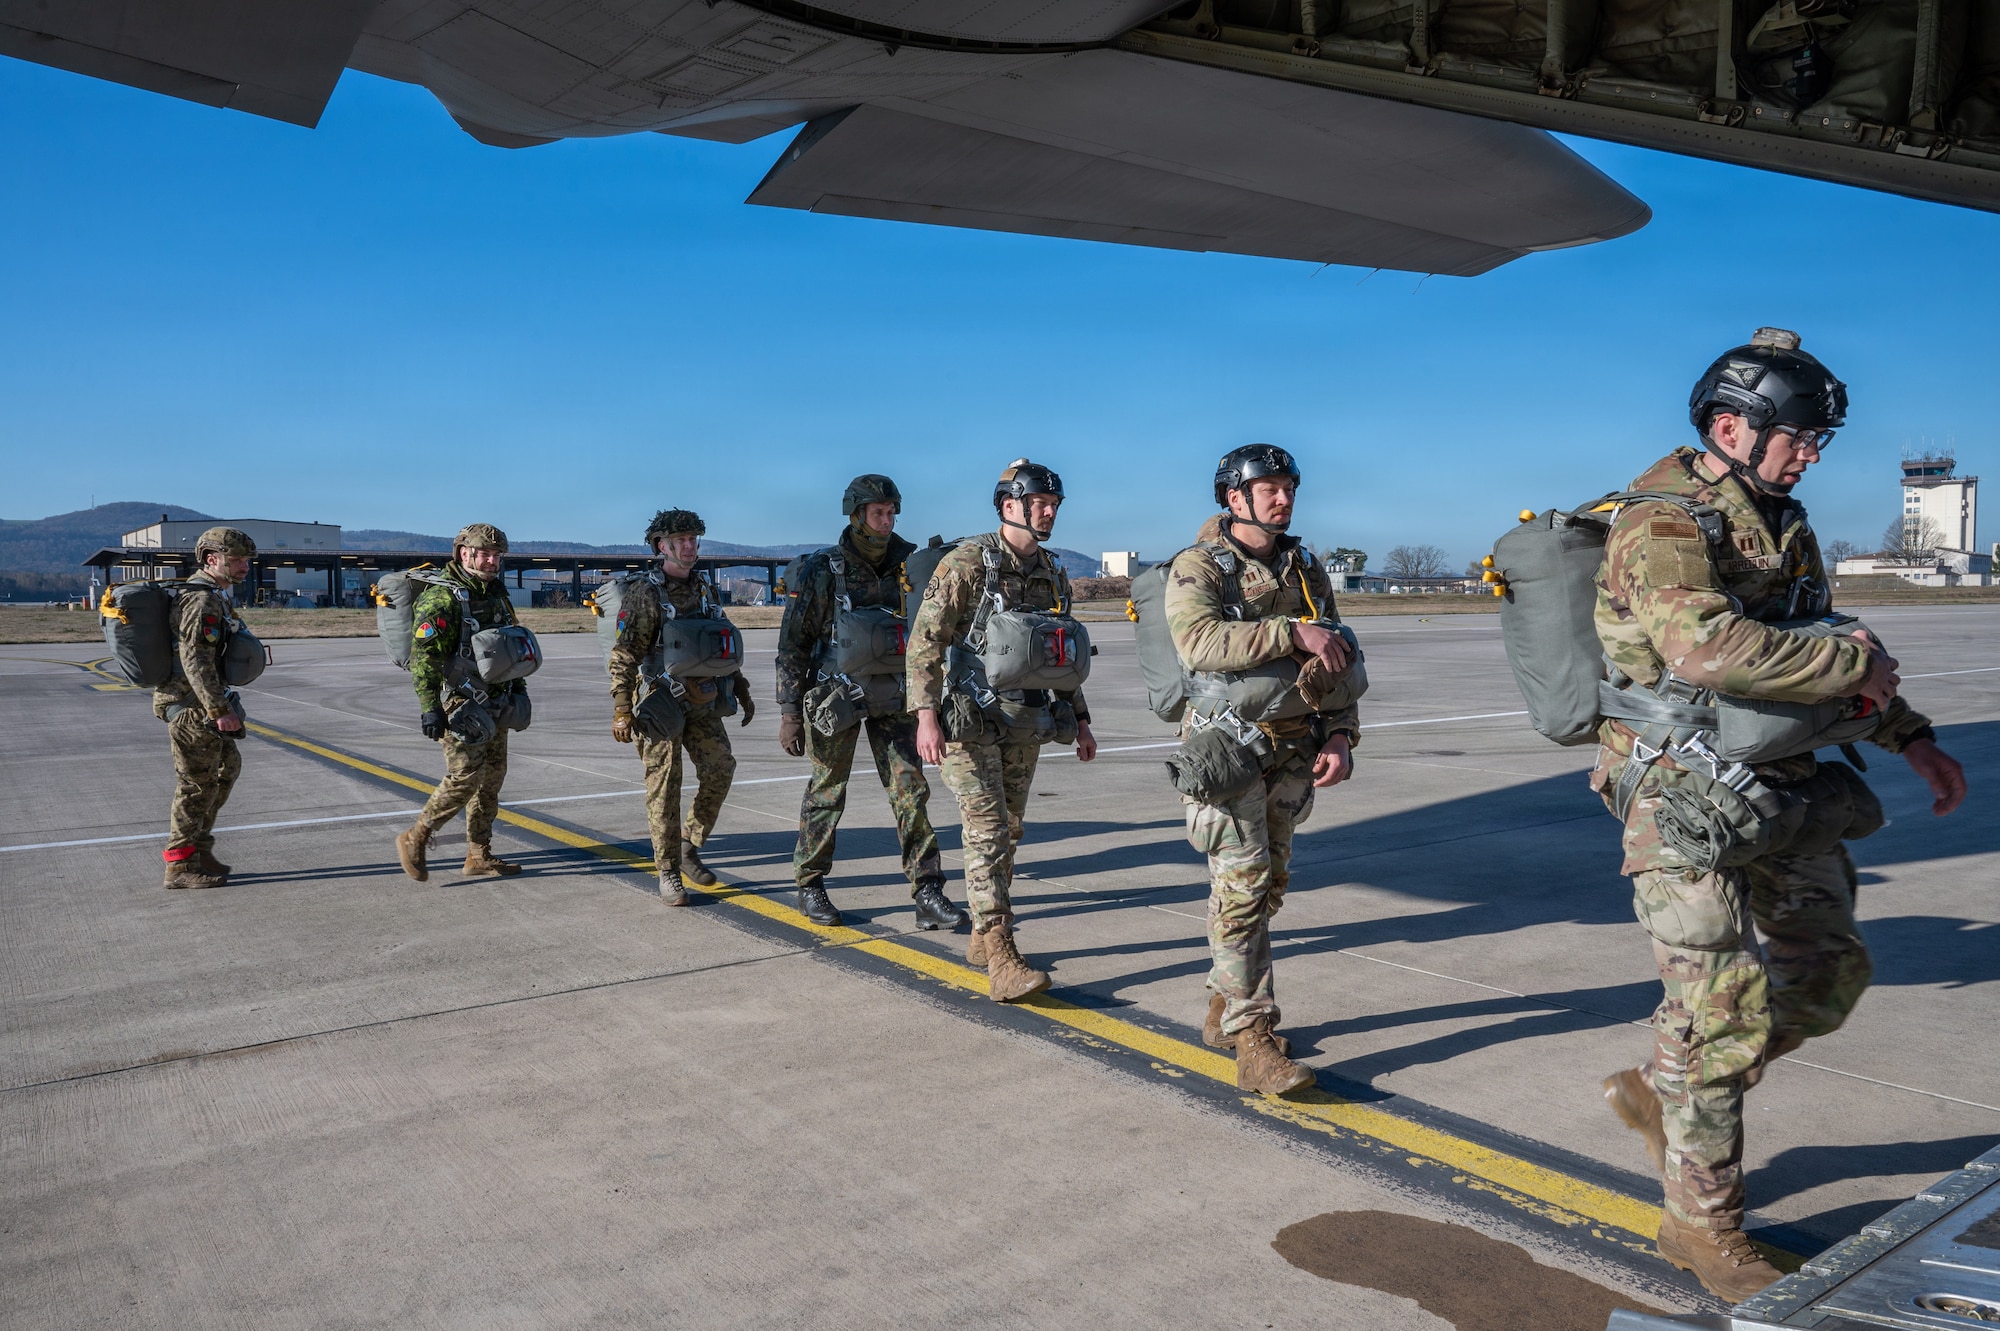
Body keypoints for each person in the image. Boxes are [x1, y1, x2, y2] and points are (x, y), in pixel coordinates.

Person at [1593, 329, 1967, 1301]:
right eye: (1799, 435)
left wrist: (1909, 735)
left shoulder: (1779, 520)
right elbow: (1702, 646)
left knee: (1828, 973)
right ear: (1729, 427)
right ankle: (1699, 1223)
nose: (1810, 453)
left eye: (1817, 439)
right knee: (1716, 1015)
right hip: (1674, 796)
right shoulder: (1661, 526)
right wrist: (1854, 666)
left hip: (1771, 780)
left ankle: (1663, 1088)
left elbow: (1809, 641)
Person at [1164, 444, 1360, 1095]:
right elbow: (1199, 642)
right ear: (1233, 498)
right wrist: (1289, 634)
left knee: (1267, 887)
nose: (1282, 497)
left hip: (1293, 749)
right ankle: (1255, 1040)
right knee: (1245, 888)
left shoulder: (1304, 567)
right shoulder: (1200, 565)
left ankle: (1223, 1005)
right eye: (1268, 488)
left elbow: (1334, 652)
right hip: (1226, 751)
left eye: (1288, 487)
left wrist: (1340, 732)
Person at [909, 459, 1097, 1001]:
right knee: (987, 828)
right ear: (1009, 505)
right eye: (1040, 503)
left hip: (1024, 718)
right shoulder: (967, 563)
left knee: (1010, 827)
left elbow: (1060, 651)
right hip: (966, 721)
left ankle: (980, 931)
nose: (1049, 512)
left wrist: (1080, 718)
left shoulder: (1054, 572)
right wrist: (925, 716)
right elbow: (925, 640)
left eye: (1055, 505)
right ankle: (999, 951)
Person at [775, 474, 965, 929]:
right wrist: (789, 713)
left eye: (892, 511)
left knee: (911, 791)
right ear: (856, 514)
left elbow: (934, 631)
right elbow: (793, 644)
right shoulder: (825, 568)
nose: (888, 519)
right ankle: (810, 884)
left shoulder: (911, 564)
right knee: (827, 792)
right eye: (879, 512)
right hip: (835, 697)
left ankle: (928, 890)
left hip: (896, 696)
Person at [608, 508, 751, 903]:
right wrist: (622, 707)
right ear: (662, 546)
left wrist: (740, 685)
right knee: (664, 786)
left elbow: (721, 640)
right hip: (659, 701)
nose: (689, 547)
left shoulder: (705, 588)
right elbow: (624, 653)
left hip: (703, 697)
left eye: (693, 540)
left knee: (721, 769)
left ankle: (689, 844)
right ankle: (668, 871)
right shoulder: (646, 591)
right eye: (681, 541)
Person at [395, 523, 531, 881]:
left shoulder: (497, 594)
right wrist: (429, 707)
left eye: (497, 555)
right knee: (465, 778)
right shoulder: (442, 598)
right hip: (459, 703)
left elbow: (511, 644)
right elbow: (424, 657)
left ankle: (478, 854)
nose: (491, 560)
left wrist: (519, 690)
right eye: (484, 553)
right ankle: (415, 837)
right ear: (463, 553)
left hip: (496, 699)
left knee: (492, 780)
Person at [154, 526, 257, 889]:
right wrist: (218, 710)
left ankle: (199, 847)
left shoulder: (215, 594)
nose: (245, 566)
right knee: (196, 786)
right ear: (212, 559)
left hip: (203, 704)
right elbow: (195, 657)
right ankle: (179, 866)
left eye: (246, 560)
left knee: (227, 770)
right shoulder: (201, 600)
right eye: (237, 560)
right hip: (192, 708)